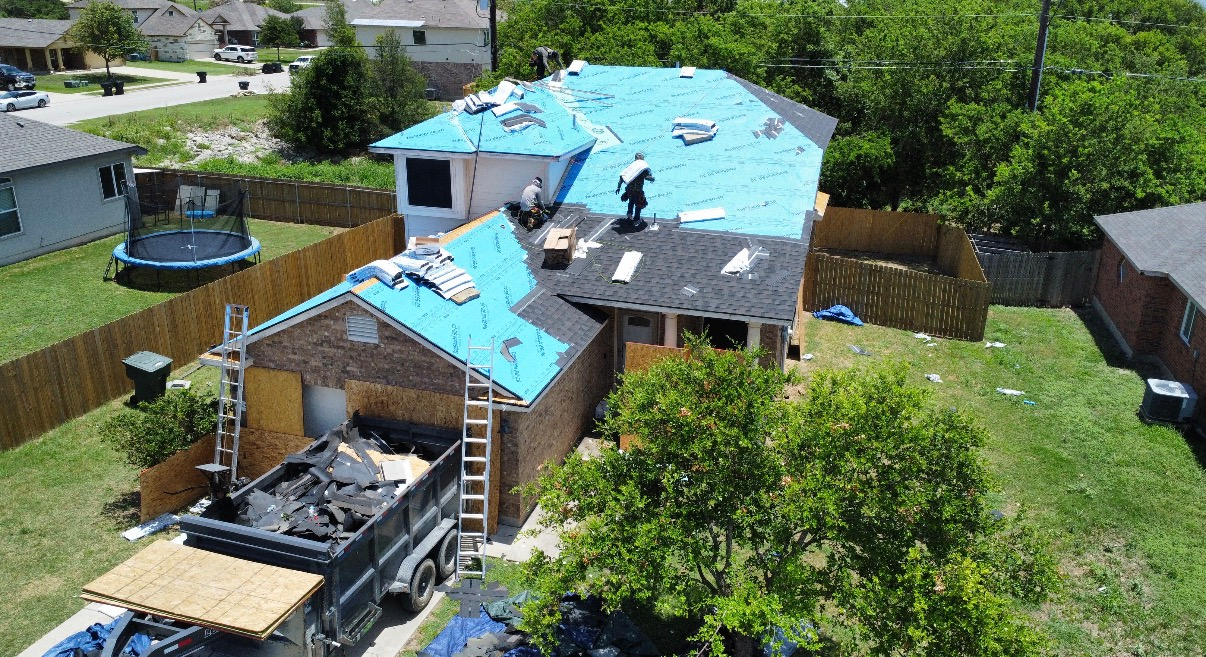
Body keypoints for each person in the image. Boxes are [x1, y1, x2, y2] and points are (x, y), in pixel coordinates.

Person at [615, 153, 654, 226]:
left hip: (629, 190)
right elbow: (647, 177)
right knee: (639, 204)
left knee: (631, 202)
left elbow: (623, 176)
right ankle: (636, 219)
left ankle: (629, 216)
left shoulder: (631, 167)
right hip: (637, 190)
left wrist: (618, 187)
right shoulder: (643, 169)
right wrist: (653, 178)